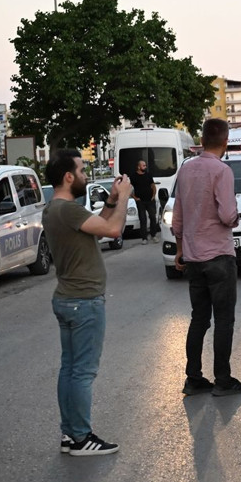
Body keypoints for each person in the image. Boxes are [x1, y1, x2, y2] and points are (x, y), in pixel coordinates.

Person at [43, 149, 132, 456]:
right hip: (83, 302)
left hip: (68, 299)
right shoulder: (68, 210)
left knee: (69, 369)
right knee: (82, 372)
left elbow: (99, 226)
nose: (84, 175)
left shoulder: (54, 209)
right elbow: (113, 229)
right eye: (81, 171)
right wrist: (124, 198)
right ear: (68, 177)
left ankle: (70, 434)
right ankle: (81, 437)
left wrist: (110, 200)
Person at [172, 118, 241, 397]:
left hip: (193, 257)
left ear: (202, 140)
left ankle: (193, 378)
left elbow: (178, 217)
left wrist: (180, 250)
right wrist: (236, 215)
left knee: (199, 319)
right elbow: (227, 215)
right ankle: (223, 379)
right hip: (219, 256)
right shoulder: (222, 171)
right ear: (225, 141)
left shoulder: (186, 171)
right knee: (224, 320)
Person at [130, 159, 159, 245]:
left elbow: (153, 186)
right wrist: (135, 198)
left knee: (153, 217)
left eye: (145, 165)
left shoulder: (148, 175)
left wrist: (153, 195)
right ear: (139, 167)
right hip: (140, 201)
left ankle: (153, 235)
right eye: (143, 165)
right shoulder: (133, 176)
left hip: (150, 200)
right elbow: (130, 188)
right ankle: (144, 238)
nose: (145, 167)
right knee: (143, 219)